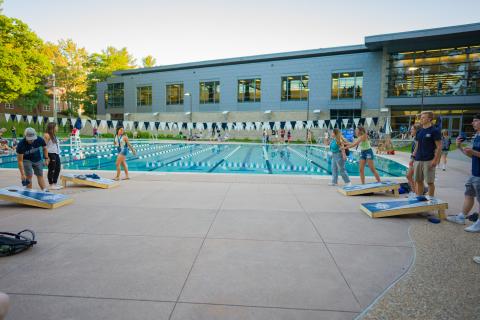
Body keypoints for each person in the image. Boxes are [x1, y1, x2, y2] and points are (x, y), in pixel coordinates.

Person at [446, 114, 480, 233]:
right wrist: (460, 147)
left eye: (475, 121)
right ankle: (461, 217)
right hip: (474, 173)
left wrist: (474, 152)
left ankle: (478, 224)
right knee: (468, 195)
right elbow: (472, 155)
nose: (473, 123)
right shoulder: (477, 136)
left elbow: (475, 153)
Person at [412, 111, 442, 197]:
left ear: (429, 119)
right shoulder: (419, 131)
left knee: (430, 182)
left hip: (429, 160)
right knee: (418, 181)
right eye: (421, 117)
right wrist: (413, 157)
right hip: (418, 159)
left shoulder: (434, 131)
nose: (421, 119)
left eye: (423, 117)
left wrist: (435, 160)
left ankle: (431, 201)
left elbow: (439, 147)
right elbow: (417, 146)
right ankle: (420, 199)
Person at [44, 122, 63, 190]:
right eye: (56, 126)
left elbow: (54, 144)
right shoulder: (47, 135)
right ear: (52, 127)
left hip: (56, 153)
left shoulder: (53, 135)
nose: (57, 128)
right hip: (50, 154)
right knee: (51, 169)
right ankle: (51, 184)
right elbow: (44, 146)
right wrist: (46, 157)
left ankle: (54, 183)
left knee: (58, 168)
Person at [406, 124, 421, 196]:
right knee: (409, 176)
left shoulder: (418, 139)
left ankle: (416, 192)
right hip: (413, 158)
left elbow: (417, 149)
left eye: (412, 129)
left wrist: (412, 158)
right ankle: (414, 191)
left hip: (416, 159)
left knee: (414, 177)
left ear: (416, 130)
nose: (411, 130)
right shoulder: (415, 138)